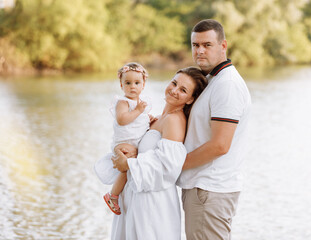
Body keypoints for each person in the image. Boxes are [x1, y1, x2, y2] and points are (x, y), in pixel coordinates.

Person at [95, 67, 207, 240]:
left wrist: (129, 164)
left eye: (183, 90)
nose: (174, 90)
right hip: (136, 196)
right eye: (174, 83)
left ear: (191, 99)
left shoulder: (174, 120)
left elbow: (167, 166)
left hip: (153, 203)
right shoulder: (159, 117)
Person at [176, 19, 252, 239]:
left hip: (209, 190)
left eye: (207, 45)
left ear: (223, 45)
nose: (199, 51)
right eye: (195, 45)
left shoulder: (227, 85)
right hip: (204, 189)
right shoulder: (213, 80)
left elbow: (220, 145)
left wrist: (174, 165)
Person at [94, 62, 153, 215]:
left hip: (133, 142)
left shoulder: (141, 104)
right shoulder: (123, 102)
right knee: (126, 168)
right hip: (123, 144)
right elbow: (122, 119)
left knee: (131, 168)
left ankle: (122, 195)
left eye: (137, 83)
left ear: (143, 84)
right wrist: (139, 111)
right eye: (128, 83)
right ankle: (112, 195)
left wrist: (149, 118)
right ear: (121, 85)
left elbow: (140, 120)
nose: (132, 86)